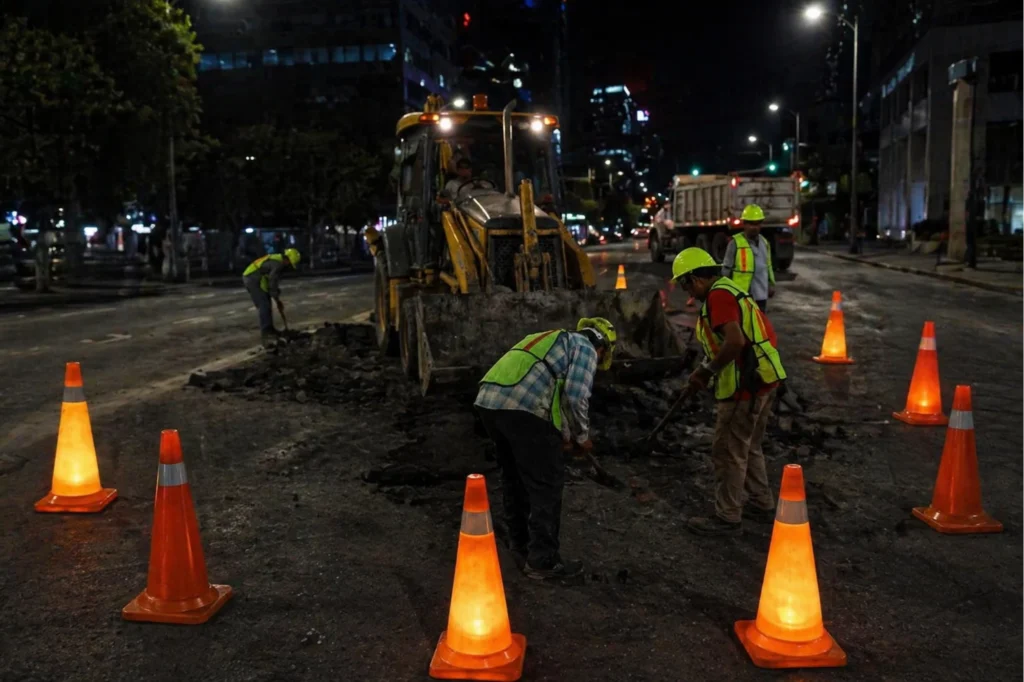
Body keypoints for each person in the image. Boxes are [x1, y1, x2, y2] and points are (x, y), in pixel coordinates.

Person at [474, 317, 616, 579]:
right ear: (602, 348)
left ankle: (519, 545)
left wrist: (564, 435)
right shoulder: (585, 347)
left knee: (514, 479)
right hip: (524, 409)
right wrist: (582, 436)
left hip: (490, 403)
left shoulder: (549, 340)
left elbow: (553, 395)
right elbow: (576, 395)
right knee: (546, 484)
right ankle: (543, 561)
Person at [672, 247, 787, 537]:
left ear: (696, 279)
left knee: (727, 451)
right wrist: (704, 369)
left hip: (744, 387)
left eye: (686, 285)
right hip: (765, 379)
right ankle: (761, 503)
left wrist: (707, 371)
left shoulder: (718, 296)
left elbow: (734, 342)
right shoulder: (729, 289)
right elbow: (724, 342)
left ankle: (727, 516)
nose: (688, 293)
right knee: (749, 446)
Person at [722, 204, 775, 312]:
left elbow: (768, 266)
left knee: (759, 327)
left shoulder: (765, 243)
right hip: (741, 296)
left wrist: (770, 285)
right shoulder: (735, 243)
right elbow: (726, 270)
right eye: (751, 224)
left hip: (761, 296)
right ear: (744, 224)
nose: (754, 227)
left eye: (757, 224)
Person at [242, 248, 301, 345]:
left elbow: (271, 281)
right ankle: (266, 334)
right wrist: (276, 296)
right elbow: (273, 281)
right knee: (264, 304)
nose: (288, 267)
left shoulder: (277, 259)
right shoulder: (278, 264)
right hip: (252, 278)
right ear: (287, 260)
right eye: (289, 264)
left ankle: (270, 329)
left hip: (257, 277)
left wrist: (275, 295)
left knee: (267, 303)